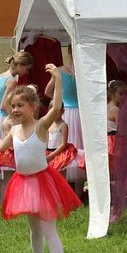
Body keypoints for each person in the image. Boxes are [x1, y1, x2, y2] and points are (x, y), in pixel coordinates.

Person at [0, 64, 82, 253]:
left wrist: (57, 79)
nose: (15, 110)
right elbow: (1, 147)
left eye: (20, 105)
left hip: (43, 182)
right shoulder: (14, 129)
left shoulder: (40, 126)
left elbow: (56, 107)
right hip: (23, 183)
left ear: (33, 107)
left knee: (49, 229)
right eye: (12, 106)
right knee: (34, 230)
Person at [0, 51, 34, 203]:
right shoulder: (12, 81)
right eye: (26, 69)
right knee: (6, 160)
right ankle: (4, 198)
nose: (26, 72)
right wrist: (15, 117)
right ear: (20, 65)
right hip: (3, 118)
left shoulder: (2, 75)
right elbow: (4, 105)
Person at [44, 47, 84, 192]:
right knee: (79, 147)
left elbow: (47, 91)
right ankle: (78, 190)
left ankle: (65, 188)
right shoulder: (84, 70)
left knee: (66, 144)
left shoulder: (59, 70)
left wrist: (59, 101)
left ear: (68, 51)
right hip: (81, 113)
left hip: (65, 110)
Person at [46, 108, 77, 174]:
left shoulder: (63, 126)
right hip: (48, 153)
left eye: (56, 111)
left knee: (60, 177)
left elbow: (63, 144)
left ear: (62, 111)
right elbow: (46, 140)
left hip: (59, 154)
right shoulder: (49, 125)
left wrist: (51, 156)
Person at [106, 80, 125, 162]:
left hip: (108, 139)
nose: (123, 96)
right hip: (115, 140)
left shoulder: (107, 106)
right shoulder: (115, 109)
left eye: (124, 94)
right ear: (113, 94)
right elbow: (121, 128)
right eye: (120, 94)